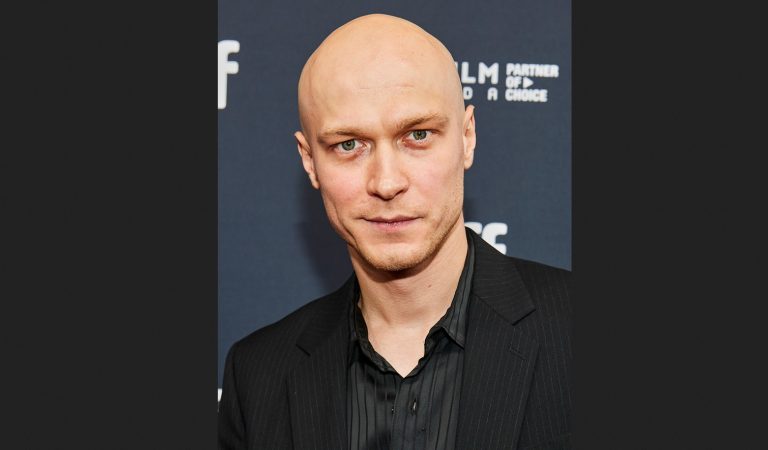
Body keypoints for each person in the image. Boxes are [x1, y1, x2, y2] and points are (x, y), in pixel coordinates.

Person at [218, 13, 571, 450]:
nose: (386, 183)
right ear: (310, 161)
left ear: (467, 137)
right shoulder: (257, 378)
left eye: (417, 135)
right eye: (349, 145)